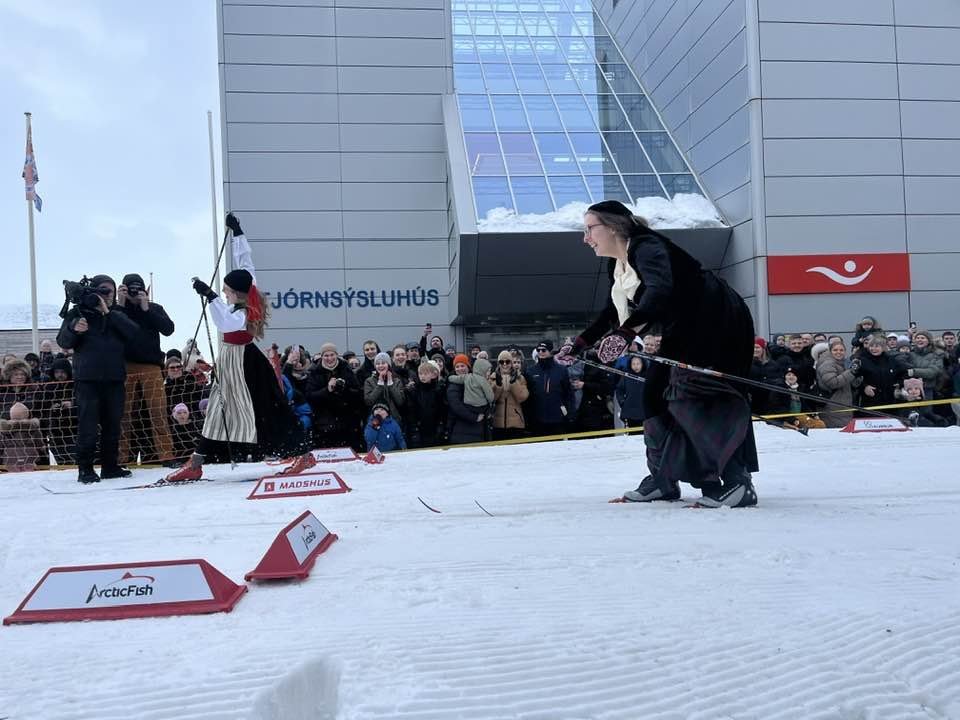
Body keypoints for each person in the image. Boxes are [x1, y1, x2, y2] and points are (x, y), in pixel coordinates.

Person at [556, 200, 758, 508]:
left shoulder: (646, 247)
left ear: (613, 227)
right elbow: (614, 310)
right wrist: (582, 343)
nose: (586, 238)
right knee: (653, 393)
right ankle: (663, 479)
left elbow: (659, 291)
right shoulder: (619, 263)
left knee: (701, 392)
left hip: (717, 321)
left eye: (589, 229)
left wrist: (627, 332)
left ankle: (737, 482)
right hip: (684, 325)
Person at [165, 213, 313, 481]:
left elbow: (226, 322)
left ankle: (302, 454)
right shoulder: (249, 287)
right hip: (234, 360)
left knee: (263, 408)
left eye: (226, 291)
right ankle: (197, 462)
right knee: (221, 409)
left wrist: (209, 297)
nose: (223, 293)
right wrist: (238, 233)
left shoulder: (243, 310)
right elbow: (246, 262)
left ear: (237, 293)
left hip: (243, 362)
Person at [56, 274, 139, 483]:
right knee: (88, 425)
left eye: (109, 291)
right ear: (92, 291)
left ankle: (110, 467)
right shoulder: (77, 313)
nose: (107, 295)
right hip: (87, 379)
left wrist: (107, 312)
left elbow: (132, 333)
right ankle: (85, 469)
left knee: (113, 425)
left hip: (114, 378)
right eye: (102, 291)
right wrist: (74, 329)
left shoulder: (117, 313)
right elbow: (63, 341)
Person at [116, 272, 176, 465]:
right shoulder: (118, 310)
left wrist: (146, 307)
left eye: (138, 288)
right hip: (125, 366)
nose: (134, 291)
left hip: (152, 366)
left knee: (158, 412)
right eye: (130, 288)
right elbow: (112, 326)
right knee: (123, 414)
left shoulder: (154, 308)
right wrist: (121, 303)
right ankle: (121, 457)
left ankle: (166, 455)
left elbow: (168, 329)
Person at [305, 342, 364, 451]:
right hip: (324, 425)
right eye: (326, 355)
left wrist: (344, 388)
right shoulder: (314, 373)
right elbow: (310, 396)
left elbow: (358, 393)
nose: (329, 358)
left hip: (347, 423)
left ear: (337, 355)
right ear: (322, 356)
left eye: (332, 355)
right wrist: (327, 390)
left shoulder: (346, 369)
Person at [528, 340, 574, 437]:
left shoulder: (561, 370)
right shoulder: (530, 371)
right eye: (538, 350)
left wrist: (569, 414)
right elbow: (528, 395)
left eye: (544, 350)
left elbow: (569, 394)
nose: (540, 352)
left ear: (550, 351)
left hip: (558, 418)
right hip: (538, 420)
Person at [813, 340, 860, 428]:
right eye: (835, 350)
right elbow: (833, 383)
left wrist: (858, 374)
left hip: (843, 405)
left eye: (841, 350)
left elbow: (853, 384)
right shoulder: (827, 363)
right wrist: (851, 372)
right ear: (830, 351)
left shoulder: (844, 363)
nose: (838, 352)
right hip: (832, 404)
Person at [446, 354, 489, 444]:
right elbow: (456, 407)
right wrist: (474, 417)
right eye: (457, 366)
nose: (460, 369)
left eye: (462, 366)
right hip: (461, 430)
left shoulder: (476, 382)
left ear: (468, 367)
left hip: (478, 430)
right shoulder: (454, 385)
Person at [405, 360, 447, 448]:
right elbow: (411, 412)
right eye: (420, 374)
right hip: (420, 430)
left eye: (425, 373)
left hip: (434, 429)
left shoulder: (438, 390)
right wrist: (414, 429)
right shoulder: (414, 391)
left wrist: (440, 426)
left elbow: (442, 410)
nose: (422, 376)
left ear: (433, 375)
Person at [490, 350, 529, 440]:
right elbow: (491, 398)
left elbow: (522, 397)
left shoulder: (520, 377)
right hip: (497, 423)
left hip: (516, 423)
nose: (504, 364)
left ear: (511, 363)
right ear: (498, 363)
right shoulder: (493, 378)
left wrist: (513, 382)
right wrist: (498, 385)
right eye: (501, 362)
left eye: (507, 361)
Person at [0, 402, 45, 473]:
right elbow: (39, 443)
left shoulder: (4, 429)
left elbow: (1, 444)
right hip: (30, 458)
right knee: (28, 475)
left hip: (10, 458)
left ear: (11, 415)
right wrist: (42, 448)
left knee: (13, 477)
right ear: (27, 414)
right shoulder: (32, 427)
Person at [363, 351, 406, 425]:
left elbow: (400, 402)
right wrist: (379, 385)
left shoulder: (397, 381)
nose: (380, 366)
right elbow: (368, 401)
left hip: (394, 420)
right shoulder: (369, 381)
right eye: (378, 364)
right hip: (375, 421)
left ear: (388, 365)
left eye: (383, 363)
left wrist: (390, 384)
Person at [616, 355, 647, 427]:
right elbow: (619, 389)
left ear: (642, 364)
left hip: (644, 411)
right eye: (633, 364)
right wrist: (622, 401)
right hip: (629, 411)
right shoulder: (626, 376)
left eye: (638, 364)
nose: (636, 366)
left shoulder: (647, 376)